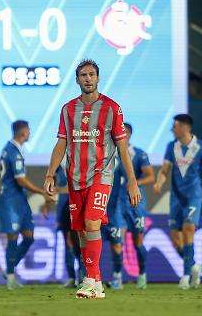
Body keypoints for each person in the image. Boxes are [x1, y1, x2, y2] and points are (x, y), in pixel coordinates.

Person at [44, 59, 141, 299]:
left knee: (91, 223)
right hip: (75, 177)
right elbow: (62, 143)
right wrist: (49, 173)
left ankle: (88, 279)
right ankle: (96, 282)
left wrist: (132, 180)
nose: (88, 78)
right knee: (81, 232)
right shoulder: (67, 109)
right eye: (83, 75)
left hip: (101, 175)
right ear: (77, 80)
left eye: (92, 74)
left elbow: (122, 146)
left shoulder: (112, 108)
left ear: (98, 78)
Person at [154, 114, 202, 290]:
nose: (172, 129)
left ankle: (185, 276)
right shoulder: (171, 147)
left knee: (188, 230)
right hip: (176, 198)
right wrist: (159, 181)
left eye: (175, 126)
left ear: (185, 127)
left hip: (194, 196)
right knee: (176, 241)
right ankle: (194, 266)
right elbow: (164, 170)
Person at [0, 120, 51, 290]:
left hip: (20, 200)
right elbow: (20, 180)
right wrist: (41, 191)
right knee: (12, 237)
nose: (30, 133)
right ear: (23, 132)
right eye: (29, 130)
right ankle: (11, 277)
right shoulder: (12, 152)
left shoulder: (12, 150)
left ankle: (9, 269)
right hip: (10, 200)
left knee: (28, 237)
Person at [110, 123, 155, 290]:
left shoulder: (139, 154)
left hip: (135, 204)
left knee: (138, 241)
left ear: (129, 134)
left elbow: (151, 177)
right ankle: (117, 277)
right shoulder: (109, 153)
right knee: (116, 241)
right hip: (115, 205)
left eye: (124, 133)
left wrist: (134, 183)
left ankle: (142, 275)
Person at [55, 160, 85, 288]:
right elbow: (54, 185)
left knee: (80, 241)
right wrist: (47, 203)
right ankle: (72, 278)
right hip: (63, 210)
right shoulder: (56, 165)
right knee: (68, 243)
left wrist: (59, 190)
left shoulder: (77, 160)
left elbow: (79, 185)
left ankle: (83, 276)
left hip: (77, 207)